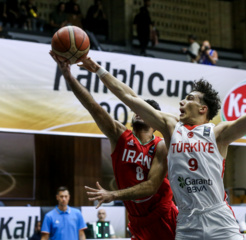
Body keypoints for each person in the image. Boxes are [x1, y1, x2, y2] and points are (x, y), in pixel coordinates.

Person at [79, 43, 246, 240]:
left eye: (190, 98)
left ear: (203, 109)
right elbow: (131, 98)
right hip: (187, 222)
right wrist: (99, 70)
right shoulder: (171, 127)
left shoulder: (218, 133)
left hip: (218, 219)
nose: (182, 101)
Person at [49, 51, 178, 240]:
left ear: (155, 121)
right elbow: (92, 106)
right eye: (137, 109)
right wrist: (68, 76)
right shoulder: (120, 137)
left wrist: (113, 195)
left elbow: (151, 186)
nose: (139, 112)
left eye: (147, 111)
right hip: (137, 221)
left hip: (163, 217)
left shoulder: (161, 146)